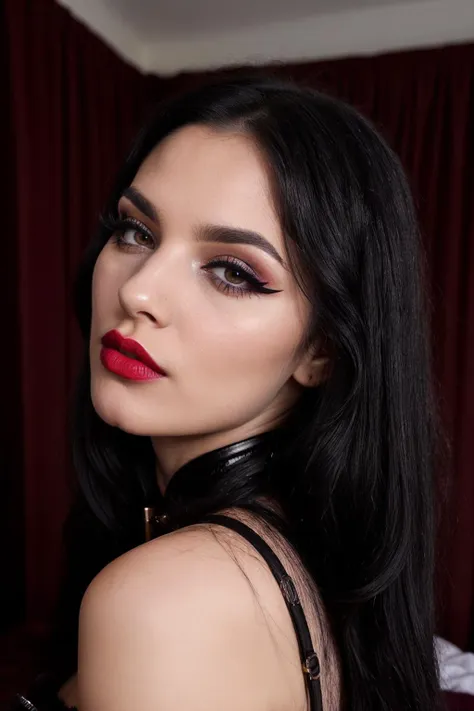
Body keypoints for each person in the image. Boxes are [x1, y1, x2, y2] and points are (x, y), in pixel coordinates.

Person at [11, 74, 444, 711]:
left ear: (321, 351)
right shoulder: (290, 553)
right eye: (136, 231)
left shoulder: (166, 602)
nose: (139, 292)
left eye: (233, 272)